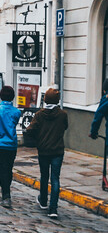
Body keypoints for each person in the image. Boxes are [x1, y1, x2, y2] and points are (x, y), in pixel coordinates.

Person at [23, 88, 68, 218]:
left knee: (44, 176)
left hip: (43, 150)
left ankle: (43, 201)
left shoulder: (39, 115)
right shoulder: (62, 114)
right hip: (57, 150)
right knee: (55, 178)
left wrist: (38, 137)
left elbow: (30, 130)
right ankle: (53, 209)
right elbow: (65, 126)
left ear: (45, 100)